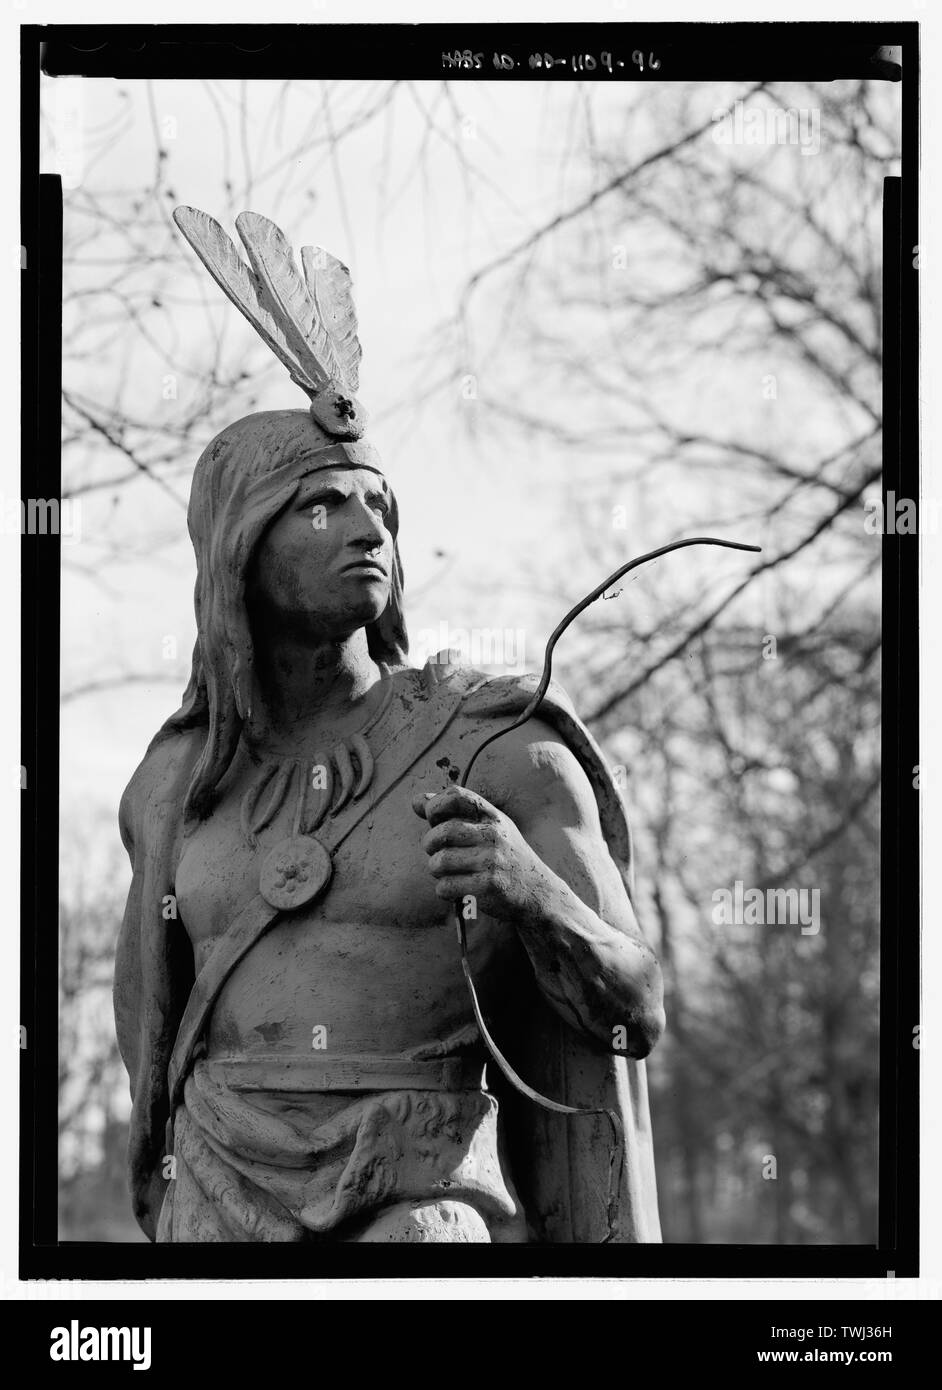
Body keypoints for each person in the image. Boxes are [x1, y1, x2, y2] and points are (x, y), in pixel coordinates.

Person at [113, 210, 664, 1244]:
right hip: (216, 1194)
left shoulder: (501, 747)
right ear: (239, 550)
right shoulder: (174, 788)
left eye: (382, 509)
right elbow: (149, 1056)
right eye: (325, 507)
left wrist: (530, 889)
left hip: (422, 1189)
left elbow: (637, 1007)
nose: (367, 529)